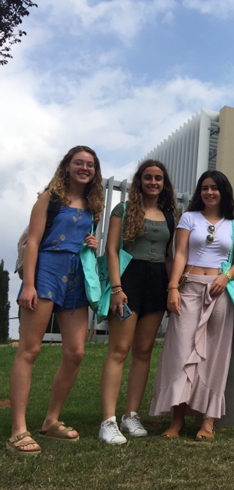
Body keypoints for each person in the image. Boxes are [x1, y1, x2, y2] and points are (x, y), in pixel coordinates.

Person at [7, 146, 103, 456]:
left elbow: (84, 241)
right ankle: (18, 430)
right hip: (46, 272)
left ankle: (50, 421)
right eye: (79, 162)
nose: (84, 168)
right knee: (30, 349)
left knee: (75, 352)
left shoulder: (93, 205)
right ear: (67, 166)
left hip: (76, 278)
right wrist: (29, 285)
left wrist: (93, 242)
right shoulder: (49, 198)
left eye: (90, 164)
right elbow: (33, 241)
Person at [150, 170, 234, 441]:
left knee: (215, 355)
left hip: (219, 292)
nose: (209, 192)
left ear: (223, 191)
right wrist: (173, 287)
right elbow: (179, 253)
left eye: (215, 188)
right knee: (181, 353)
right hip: (188, 288)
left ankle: (208, 422)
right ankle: (176, 421)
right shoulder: (189, 218)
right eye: (205, 187)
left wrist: (225, 277)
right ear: (199, 192)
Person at [98, 160, 176, 445]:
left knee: (143, 351)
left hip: (157, 282)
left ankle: (130, 415)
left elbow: (170, 255)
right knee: (119, 350)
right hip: (129, 280)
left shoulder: (169, 215)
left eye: (158, 178)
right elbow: (111, 249)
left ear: (164, 182)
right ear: (139, 181)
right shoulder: (123, 209)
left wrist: (171, 287)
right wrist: (117, 288)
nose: (153, 182)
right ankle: (107, 421)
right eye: (148, 177)